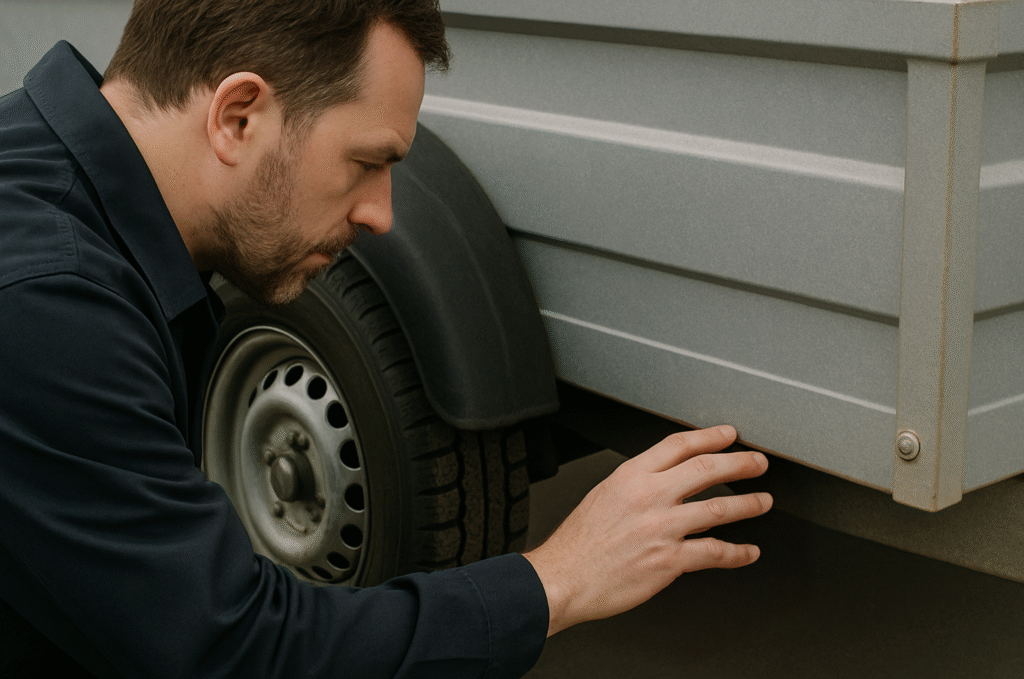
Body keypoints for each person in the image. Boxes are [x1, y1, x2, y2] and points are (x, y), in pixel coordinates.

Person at [0, 1, 773, 677]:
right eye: (366, 162)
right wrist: (557, 580)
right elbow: (233, 649)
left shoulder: (40, 174)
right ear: (238, 116)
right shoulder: (48, 305)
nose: (381, 214)